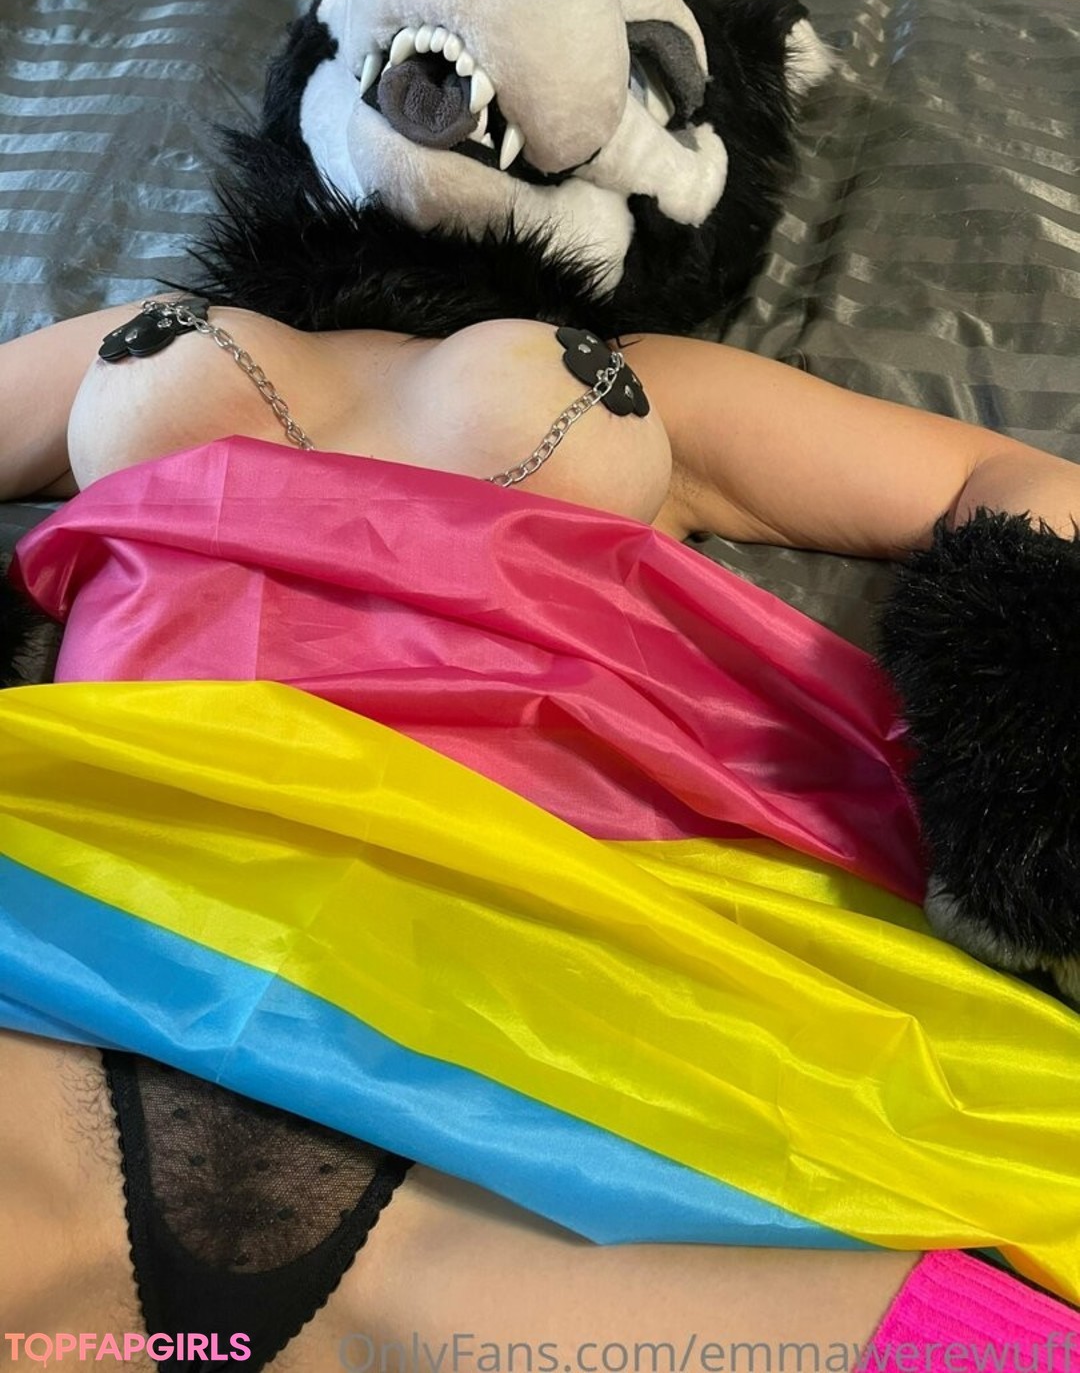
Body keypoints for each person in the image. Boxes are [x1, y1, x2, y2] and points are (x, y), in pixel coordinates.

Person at [1, 297, 1078, 1362]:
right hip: (109, 865)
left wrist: (1021, 737)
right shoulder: (145, 323)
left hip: (544, 933)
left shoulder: (650, 373)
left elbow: (999, 484)